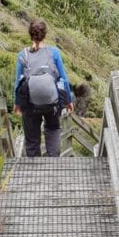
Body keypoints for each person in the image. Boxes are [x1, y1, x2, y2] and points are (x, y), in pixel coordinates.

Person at [13, 18, 74, 157]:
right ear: (45, 34)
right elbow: (63, 79)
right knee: (52, 129)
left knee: (32, 138)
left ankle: (34, 170)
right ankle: (53, 164)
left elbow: (18, 83)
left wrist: (17, 104)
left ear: (30, 34)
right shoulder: (53, 53)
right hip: (52, 102)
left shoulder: (23, 55)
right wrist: (68, 101)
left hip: (30, 104)